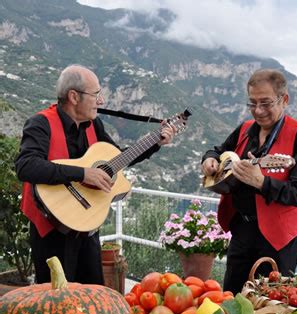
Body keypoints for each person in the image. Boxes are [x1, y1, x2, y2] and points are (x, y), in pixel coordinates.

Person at [15, 64, 176, 285]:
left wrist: (155, 142)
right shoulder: (41, 123)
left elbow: (116, 159)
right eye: (95, 94)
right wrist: (83, 174)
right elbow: (26, 166)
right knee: (57, 301)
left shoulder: (94, 125)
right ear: (73, 96)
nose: (100, 101)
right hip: (51, 229)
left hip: (86, 226)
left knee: (93, 293)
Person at [201, 68, 297, 294]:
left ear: (284, 100)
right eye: (252, 104)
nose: (258, 111)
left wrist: (262, 183)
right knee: (232, 295)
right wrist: (210, 160)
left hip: (279, 238)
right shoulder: (245, 129)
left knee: (271, 301)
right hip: (242, 227)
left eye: (265, 103)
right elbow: (217, 151)